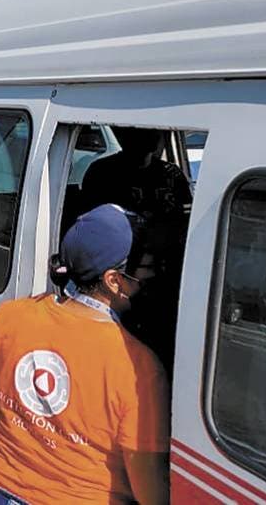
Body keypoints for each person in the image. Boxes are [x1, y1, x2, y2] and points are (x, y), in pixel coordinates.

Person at [0, 204, 170, 505]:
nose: (156, 272)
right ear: (114, 281)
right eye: (148, 266)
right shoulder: (138, 366)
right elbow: (150, 493)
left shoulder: (13, 315)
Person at [80, 127, 192, 375]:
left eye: (155, 131)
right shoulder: (103, 173)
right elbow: (89, 231)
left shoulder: (172, 176)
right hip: (117, 280)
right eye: (138, 132)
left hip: (165, 281)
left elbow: (185, 224)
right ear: (122, 134)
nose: (151, 137)